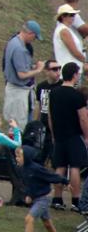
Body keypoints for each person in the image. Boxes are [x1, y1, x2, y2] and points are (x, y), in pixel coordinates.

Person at [47, 62, 88, 210]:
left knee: (60, 166)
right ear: (74, 75)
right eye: (78, 74)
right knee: (75, 166)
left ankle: (57, 198)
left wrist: (53, 134)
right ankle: (75, 200)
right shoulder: (77, 95)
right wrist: (87, 136)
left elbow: (50, 116)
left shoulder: (54, 93)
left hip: (59, 135)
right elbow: (83, 118)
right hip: (74, 135)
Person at [3, 20, 45, 126]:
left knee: (17, 125)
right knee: (19, 128)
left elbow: (19, 66)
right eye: (34, 37)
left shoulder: (13, 41)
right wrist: (38, 70)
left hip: (15, 90)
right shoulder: (20, 49)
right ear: (30, 33)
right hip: (18, 92)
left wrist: (33, 66)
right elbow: (21, 74)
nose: (34, 40)